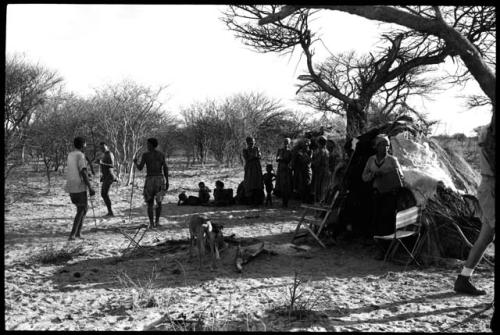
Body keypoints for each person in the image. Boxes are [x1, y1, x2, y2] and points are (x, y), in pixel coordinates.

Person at [454, 125, 495, 296]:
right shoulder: (490, 134)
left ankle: (463, 279)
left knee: (486, 237)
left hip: (489, 186)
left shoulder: (487, 131)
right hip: (492, 187)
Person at [362, 134, 404, 258]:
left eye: (386, 145)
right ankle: (379, 247)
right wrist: (373, 175)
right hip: (376, 193)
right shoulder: (371, 160)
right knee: (376, 220)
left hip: (389, 194)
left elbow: (401, 176)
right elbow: (364, 177)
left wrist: (387, 174)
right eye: (382, 145)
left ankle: (387, 249)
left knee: (387, 221)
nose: (385, 148)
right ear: (377, 147)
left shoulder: (392, 160)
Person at [133, 138, 169, 229]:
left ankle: (153, 223)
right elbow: (165, 168)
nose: (147, 146)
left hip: (150, 180)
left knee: (152, 202)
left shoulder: (146, 155)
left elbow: (140, 168)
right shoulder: (161, 155)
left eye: (148, 144)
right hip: (160, 179)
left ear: (152, 145)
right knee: (157, 202)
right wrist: (167, 180)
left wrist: (135, 162)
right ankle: (155, 222)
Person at [65, 137, 96, 241]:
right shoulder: (81, 155)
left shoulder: (70, 155)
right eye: (85, 145)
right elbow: (82, 171)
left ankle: (78, 233)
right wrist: (90, 187)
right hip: (79, 186)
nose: (86, 147)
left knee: (83, 209)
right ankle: (73, 234)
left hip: (70, 185)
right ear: (83, 145)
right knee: (82, 209)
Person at [96, 141, 117, 217]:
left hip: (109, 176)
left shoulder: (110, 154)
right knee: (104, 194)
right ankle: (110, 211)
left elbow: (112, 165)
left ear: (107, 146)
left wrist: (101, 163)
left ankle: (110, 212)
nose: (102, 149)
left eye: (103, 147)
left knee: (104, 194)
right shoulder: (105, 154)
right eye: (100, 147)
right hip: (105, 176)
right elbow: (104, 165)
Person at [243, 136, 264, 206]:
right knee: (250, 183)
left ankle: (258, 200)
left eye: (253, 142)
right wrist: (253, 156)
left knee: (257, 182)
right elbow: (246, 158)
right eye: (251, 142)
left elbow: (260, 156)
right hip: (250, 168)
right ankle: (250, 200)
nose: (252, 143)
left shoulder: (256, 148)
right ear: (247, 143)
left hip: (257, 167)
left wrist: (256, 156)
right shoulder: (245, 150)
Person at [293, 139, 313, 204]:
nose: (305, 145)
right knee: (301, 184)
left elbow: (309, 160)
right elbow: (298, 160)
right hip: (301, 169)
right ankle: (303, 199)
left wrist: (303, 156)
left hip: (307, 169)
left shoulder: (310, 151)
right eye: (304, 144)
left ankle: (308, 199)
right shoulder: (300, 151)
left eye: (306, 144)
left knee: (308, 184)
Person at [311, 136, 330, 203]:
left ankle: (317, 204)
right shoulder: (327, 151)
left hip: (320, 171)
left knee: (318, 189)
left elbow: (317, 163)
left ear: (319, 143)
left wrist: (311, 161)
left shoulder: (320, 151)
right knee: (323, 189)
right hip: (326, 171)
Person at [276, 138, 293, 208]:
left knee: (286, 186)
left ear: (289, 143)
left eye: (287, 142)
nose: (286, 143)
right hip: (280, 169)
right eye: (285, 142)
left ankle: (285, 202)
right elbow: (276, 159)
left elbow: (291, 161)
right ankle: (283, 202)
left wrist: (284, 160)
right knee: (281, 185)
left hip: (287, 170)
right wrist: (280, 159)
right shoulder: (280, 150)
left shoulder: (290, 151)